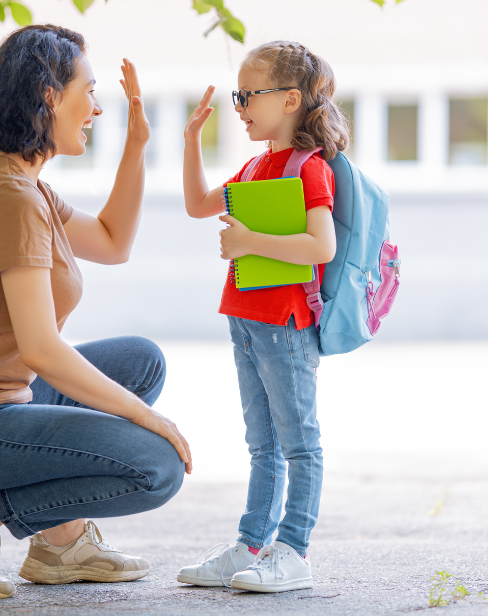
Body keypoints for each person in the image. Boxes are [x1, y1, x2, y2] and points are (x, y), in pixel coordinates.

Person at [0, 24, 191, 600]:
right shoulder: (10, 196)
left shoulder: (25, 184)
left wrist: (136, 148)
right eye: (87, 90)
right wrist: (146, 418)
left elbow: (112, 242)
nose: (97, 107)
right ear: (48, 96)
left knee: (141, 362)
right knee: (155, 467)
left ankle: (60, 546)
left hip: (5, 404)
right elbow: (40, 348)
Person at [176, 40, 351, 593]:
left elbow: (319, 247)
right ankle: (252, 544)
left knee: (299, 441)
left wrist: (250, 239)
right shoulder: (255, 166)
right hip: (246, 318)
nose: (241, 105)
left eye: (250, 94)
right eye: (239, 94)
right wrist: (190, 141)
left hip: (286, 322)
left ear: (292, 99)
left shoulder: (309, 169)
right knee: (261, 442)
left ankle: (293, 550)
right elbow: (198, 204)